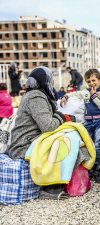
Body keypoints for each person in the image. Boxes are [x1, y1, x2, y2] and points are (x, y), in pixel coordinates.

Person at [6, 66, 73, 199]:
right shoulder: (36, 96)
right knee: (64, 141)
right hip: (23, 147)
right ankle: (49, 187)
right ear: (45, 81)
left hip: (29, 141)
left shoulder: (34, 94)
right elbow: (48, 126)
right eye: (50, 80)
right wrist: (61, 116)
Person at [60, 69, 100, 181]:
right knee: (89, 145)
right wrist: (65, 97)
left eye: (94, 80)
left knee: (98, 145)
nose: (92, 83)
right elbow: (75, 93)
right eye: (89, 81)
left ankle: (99, 168)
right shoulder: (86, 92)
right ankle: (90, 167)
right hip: (88, 122)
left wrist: (94, 96)